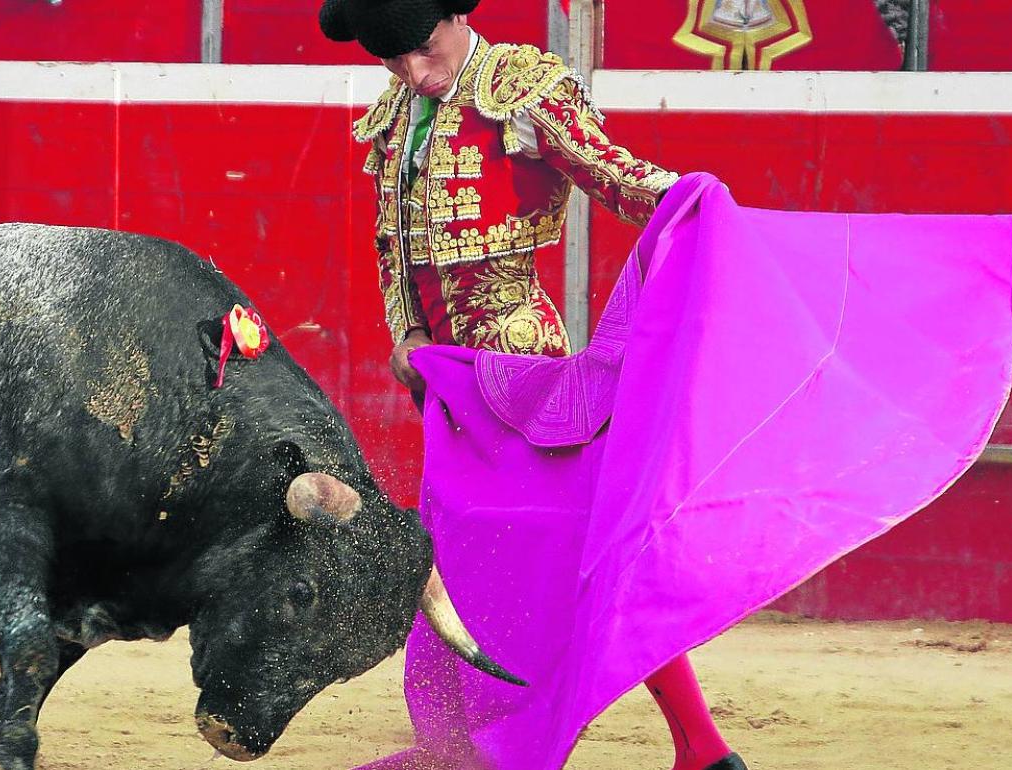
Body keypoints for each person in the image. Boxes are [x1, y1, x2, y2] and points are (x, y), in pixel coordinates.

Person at [319, 2, 746, 769]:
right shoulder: (397, 113)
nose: (414, 72)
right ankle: (490, 746)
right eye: (393, 61)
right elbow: (393, 239)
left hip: (523, 373)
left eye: (423, 49)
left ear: (456, 14)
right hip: (448, 390)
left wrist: (691, 201)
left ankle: (696, 746)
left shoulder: (518, 85)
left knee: (577, 563)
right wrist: (407, 332)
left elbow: (611, 175)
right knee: (479, 568)